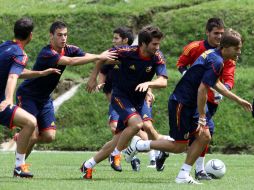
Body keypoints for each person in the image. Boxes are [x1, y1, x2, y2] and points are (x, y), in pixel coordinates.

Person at [124, 29, 252, 184]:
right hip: (182, 103)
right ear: (225, 47)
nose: (239, 52)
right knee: (179, 146)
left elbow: (215, 83)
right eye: (236, 48)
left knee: (205, 136)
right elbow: (202, 90)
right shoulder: (217, 61)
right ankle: (140, 144)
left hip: (190, 104)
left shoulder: (215, 55)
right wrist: (202, 116)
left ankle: (183, 175)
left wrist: (238, 100)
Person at [15, 21, 116, 160]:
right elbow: (71, 61)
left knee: (49, 136)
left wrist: (116, 59)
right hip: (28, 96)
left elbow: (88, 57)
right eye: (59, 35)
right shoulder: (47, 53)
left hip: (44, 98)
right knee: (32, 135)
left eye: (65, 35)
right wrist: (99, 56)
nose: (63, 38)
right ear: (51, 36)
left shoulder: (69, 48)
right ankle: (19, 167)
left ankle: (22, 137)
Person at [80, 25, 168, 179]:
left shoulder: (157, 56)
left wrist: (149, 84)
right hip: (121, 97)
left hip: (139, 100)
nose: (157, 47)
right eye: (154, 44)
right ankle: (115, 155)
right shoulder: (126, 52)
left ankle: (88, 165)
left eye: (158, 44)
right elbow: (101, 58)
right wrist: (93, 78)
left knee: (118, 138)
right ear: (143, 44)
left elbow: (163, 81)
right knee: (137, 125)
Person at [174, 17, 236, 180]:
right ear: (207, 32)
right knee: (200, 134)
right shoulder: (195, 47)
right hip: (193, 97)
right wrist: (187, 75)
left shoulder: (227, 53)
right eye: (216, 33)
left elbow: (229, 77)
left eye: (222, 33)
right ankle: (194, 169)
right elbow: (181, 64)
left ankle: (197, 169)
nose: (219, 37)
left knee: (202, 134)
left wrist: (224, 90)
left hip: (211, 99)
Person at [0, 17, 60, 178]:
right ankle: (19, 166)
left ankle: (19, 166)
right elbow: (13, 77)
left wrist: (40, 73)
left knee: (37, 128)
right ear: (31, 35)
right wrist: (8, 99)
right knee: (31, 122)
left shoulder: (5, 46)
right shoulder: (20, 54)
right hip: (1, 102)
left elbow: (15, 72)